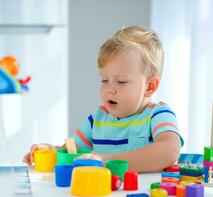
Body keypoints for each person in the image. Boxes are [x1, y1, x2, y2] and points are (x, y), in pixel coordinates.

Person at [23, 25, 184, 172]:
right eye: (104, 80)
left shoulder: (158, 115)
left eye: (121, 82)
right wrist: (51, 151)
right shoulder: (96, 120)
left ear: (149, 86)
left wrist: (106, 160)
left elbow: (169, 151)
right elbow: (71, 151)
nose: (109, 89)